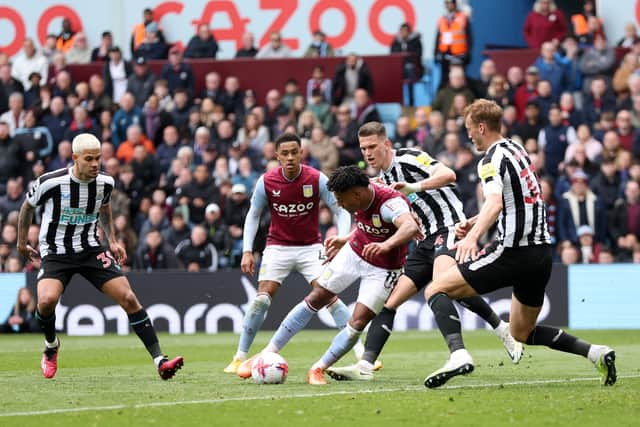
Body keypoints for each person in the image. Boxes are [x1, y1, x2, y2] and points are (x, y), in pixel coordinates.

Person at [421, 99, 615, 388]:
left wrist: (473, 237)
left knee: (435, 288)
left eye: (470, 129)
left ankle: (458, 355)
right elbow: (518, 199)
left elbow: (496, 201)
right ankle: (596, 353)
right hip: (541, 254)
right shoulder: (518, 149)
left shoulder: (489, 160)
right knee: (522, 332)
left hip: (512, 252)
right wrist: (474, 221)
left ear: (482, 127)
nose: (468, 136)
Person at [326, 122, 521, 381]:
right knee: (390, 303)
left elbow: (449, 174)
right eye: (363, 148)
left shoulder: (410, 157)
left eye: (372, 146)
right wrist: (345, 238)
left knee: (442, 286)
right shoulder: (377, 181)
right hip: (422, 242)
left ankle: (460, 354)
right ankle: (365, 366)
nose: (368, 153)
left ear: (386, 144)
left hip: (449, 228)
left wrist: (413, 187)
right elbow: (373, 219)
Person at [16, 133, 183, 380]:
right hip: (56, 252)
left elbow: (104, 207)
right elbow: (27, 207)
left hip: (90, 249)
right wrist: (21, 243)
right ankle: (51, 346)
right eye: (89, 159)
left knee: (128, 297)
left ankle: (160, 361)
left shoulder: (106, 182)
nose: (95, 164)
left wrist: (112, 240)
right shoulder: (50, 182)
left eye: (98, 159)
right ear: (74, 158)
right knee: (46, 301)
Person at [237, 164, 420, 385]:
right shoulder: (361, 191)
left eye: (342, 200)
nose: (340, 205)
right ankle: (266, 353)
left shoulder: (390, 203)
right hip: (355, 251)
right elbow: (368, 223)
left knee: (358, 322)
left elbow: (409, 226)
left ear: (356, 194)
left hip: (384, 268)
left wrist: (386, 245)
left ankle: (318, 369)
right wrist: (346, 239)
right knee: (318, 296)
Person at [223, 132, 354, 374]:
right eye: (285, 153)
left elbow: (341, 210)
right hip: (277, 248)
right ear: (277, 155)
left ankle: (362, 355)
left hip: (311, 249)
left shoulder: (316, 178)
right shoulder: (267, 181)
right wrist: (247, 251)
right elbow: (252, 216)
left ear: (301, 153)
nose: (291, 157)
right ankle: (239, 357)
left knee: (328, 296)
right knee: (261, 299)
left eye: (295, 152)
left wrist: (342, 239)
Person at [434, 0, 472, 89]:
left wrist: (468, 53)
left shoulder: (463, 17)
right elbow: (438, 37)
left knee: (460, 78)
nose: (448, 5)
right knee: (444, 79)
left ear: (455, 4)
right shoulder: (442, 19)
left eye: (450, 3)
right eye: (446, 3)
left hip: (459, 54)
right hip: (445, 54)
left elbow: (469, 37)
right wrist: (436, 53)